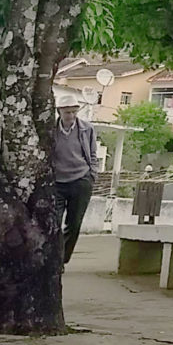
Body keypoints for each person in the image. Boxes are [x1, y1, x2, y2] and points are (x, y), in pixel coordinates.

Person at [50, 93, 100, 263]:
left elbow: (93, 154)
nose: (71, 116)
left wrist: (92, 174)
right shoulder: (51, 129)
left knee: (74, 224)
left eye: (73, 112)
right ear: (59, 112)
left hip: (80, 180)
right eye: (67, 112)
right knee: (53, 223)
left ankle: (62, 260)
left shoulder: (87, 129)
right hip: (57, 182)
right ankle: (53, 259)